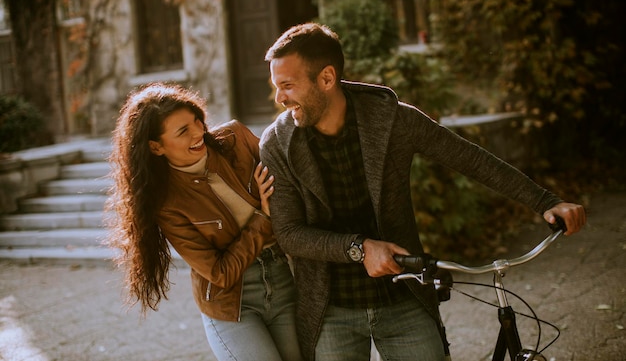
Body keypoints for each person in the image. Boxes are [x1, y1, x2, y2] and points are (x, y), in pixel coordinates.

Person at [258, 23, 586, 361]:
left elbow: (470, 159)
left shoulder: (392, 121)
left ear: (326, 78)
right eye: (276, 87)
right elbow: (289, 234)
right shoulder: (278, 143)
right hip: (330, 309)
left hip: (404, 296)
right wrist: (360, 248)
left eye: (287, 86)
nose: (280, 98)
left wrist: (546, 202)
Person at [106, 82, 303, 361]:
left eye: (196, 121)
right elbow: (221, 273)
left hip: (284, 281)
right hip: (230, 304)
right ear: (156, 146)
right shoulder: (168, 205)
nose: (199, 132)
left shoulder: (236, 138)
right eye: (183, 131)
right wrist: (262, 216)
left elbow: (290, 187)